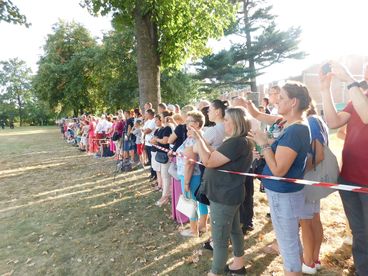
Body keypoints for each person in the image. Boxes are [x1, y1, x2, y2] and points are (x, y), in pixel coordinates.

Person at [247, 81, 312, 275]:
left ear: (293, 102)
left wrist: (264, 144)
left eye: (281, 98)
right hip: (283, 194)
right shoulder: (292, 127)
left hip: (283, 194)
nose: (277, 101)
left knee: (287, 244)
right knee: (290, 241)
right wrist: (267, 149)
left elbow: (279, 170)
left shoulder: (295, 130)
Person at [191, 107, 253, 276]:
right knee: (234, 230)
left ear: (236, 123)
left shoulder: (236, 142)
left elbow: (209, 161)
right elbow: (215, 155)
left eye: (227, 120)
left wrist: (198, 139)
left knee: (219, 239)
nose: (223, 123)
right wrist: (201, 138)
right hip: (229, 194)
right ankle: (238, 265)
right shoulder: (239, 141)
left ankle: (216, 272)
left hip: (224, 196)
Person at [319, 61, 368, 276]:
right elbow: (333, 121)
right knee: (359, 232)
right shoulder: (359, 96)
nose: (365, 71)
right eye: (365, 68)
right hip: (349, 178)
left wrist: (350, 81)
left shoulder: (358, 94)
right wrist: (324, 89)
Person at [176, 110, 209, 237]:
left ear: (197, 123)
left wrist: (186, 182)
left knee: (189, 202)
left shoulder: (195, 138)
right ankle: (203, 226)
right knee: (200, 201)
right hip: (193, 175)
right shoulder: (196, 136)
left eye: (189, 121)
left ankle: (193, 230)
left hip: (190, 175)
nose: (186, 124)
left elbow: (189, 163)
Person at [150, 112, 173, 206]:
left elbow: (165, 141)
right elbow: (153, 140)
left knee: (165, 176)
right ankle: (165, 194)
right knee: (163, 175)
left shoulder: (167, 128)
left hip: (165, 155)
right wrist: (156, 140)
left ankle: (165, 196)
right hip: (161, 154)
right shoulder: (161, 129)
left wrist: (157, 140)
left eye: (161, 117)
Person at [142, 109, 156, 181]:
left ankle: (154, 174)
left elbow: (147, 131)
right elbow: (143, 129)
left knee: (152, 160)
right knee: (150, 160)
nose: (145, 115)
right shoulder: (147, 121)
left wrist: (144, 131)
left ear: (150, 114)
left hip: (151, 143)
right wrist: (144, 131)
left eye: (146, 114)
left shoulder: (153, 121)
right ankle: (152, 173)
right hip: (147, 142)